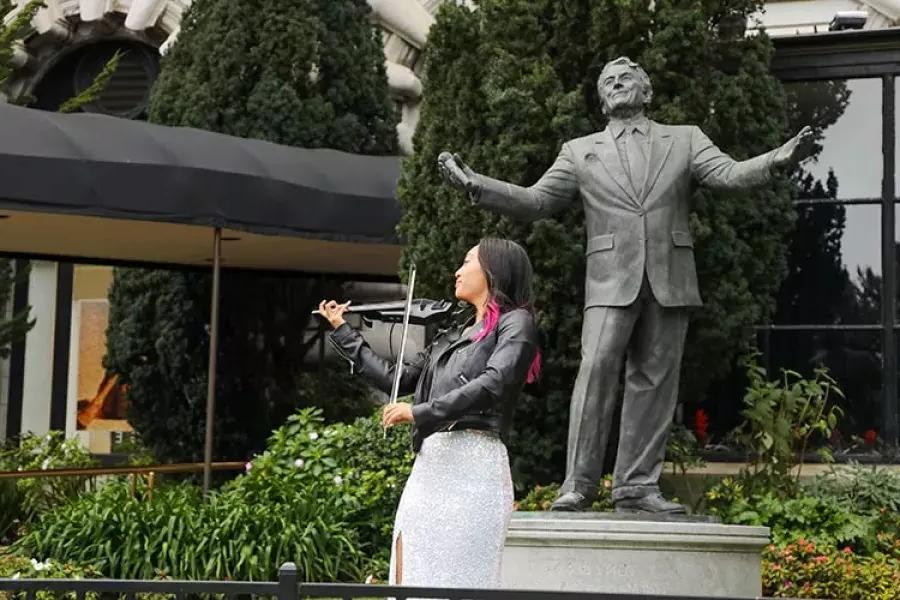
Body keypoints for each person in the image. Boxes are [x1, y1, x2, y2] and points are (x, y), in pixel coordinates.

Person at [439, 56, 813, 513]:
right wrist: (478, 185)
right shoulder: (580, 151)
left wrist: (778, 158)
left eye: (626, 79)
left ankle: (637, 487)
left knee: (654, 382)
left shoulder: (685, 139)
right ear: (602, 99)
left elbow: (728, 174)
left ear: (646, 91)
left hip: (669, 278)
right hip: (610, 279)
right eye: (609, 82)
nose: (617, 85)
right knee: (595, 372)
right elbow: (537, 200)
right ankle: (577, 484)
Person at [317, 237, 540, 590]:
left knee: (459, 579)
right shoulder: (451, 335)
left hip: (474, 465)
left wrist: (420, 413)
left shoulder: (516, 324)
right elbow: (396, 378)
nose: (457, 271)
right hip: (431, 467)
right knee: (412, 569)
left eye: (467, 262)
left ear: (493, 269)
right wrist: (344, 332)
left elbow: (494, 382)